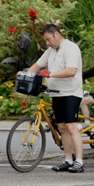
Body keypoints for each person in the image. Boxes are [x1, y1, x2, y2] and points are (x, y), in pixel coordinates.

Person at [28, 24, 84, 173]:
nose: (47, 43)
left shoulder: (71, 48)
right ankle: (68, 159)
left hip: (71, 92)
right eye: (45, 41)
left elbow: (71, 71)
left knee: (71, 126)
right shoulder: (50, 51)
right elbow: (37, 65)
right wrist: (25, 76)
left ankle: (79, 161)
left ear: (56, 34)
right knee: (62, 127)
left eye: (48, 39)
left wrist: (50, 74)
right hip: (56, 93)